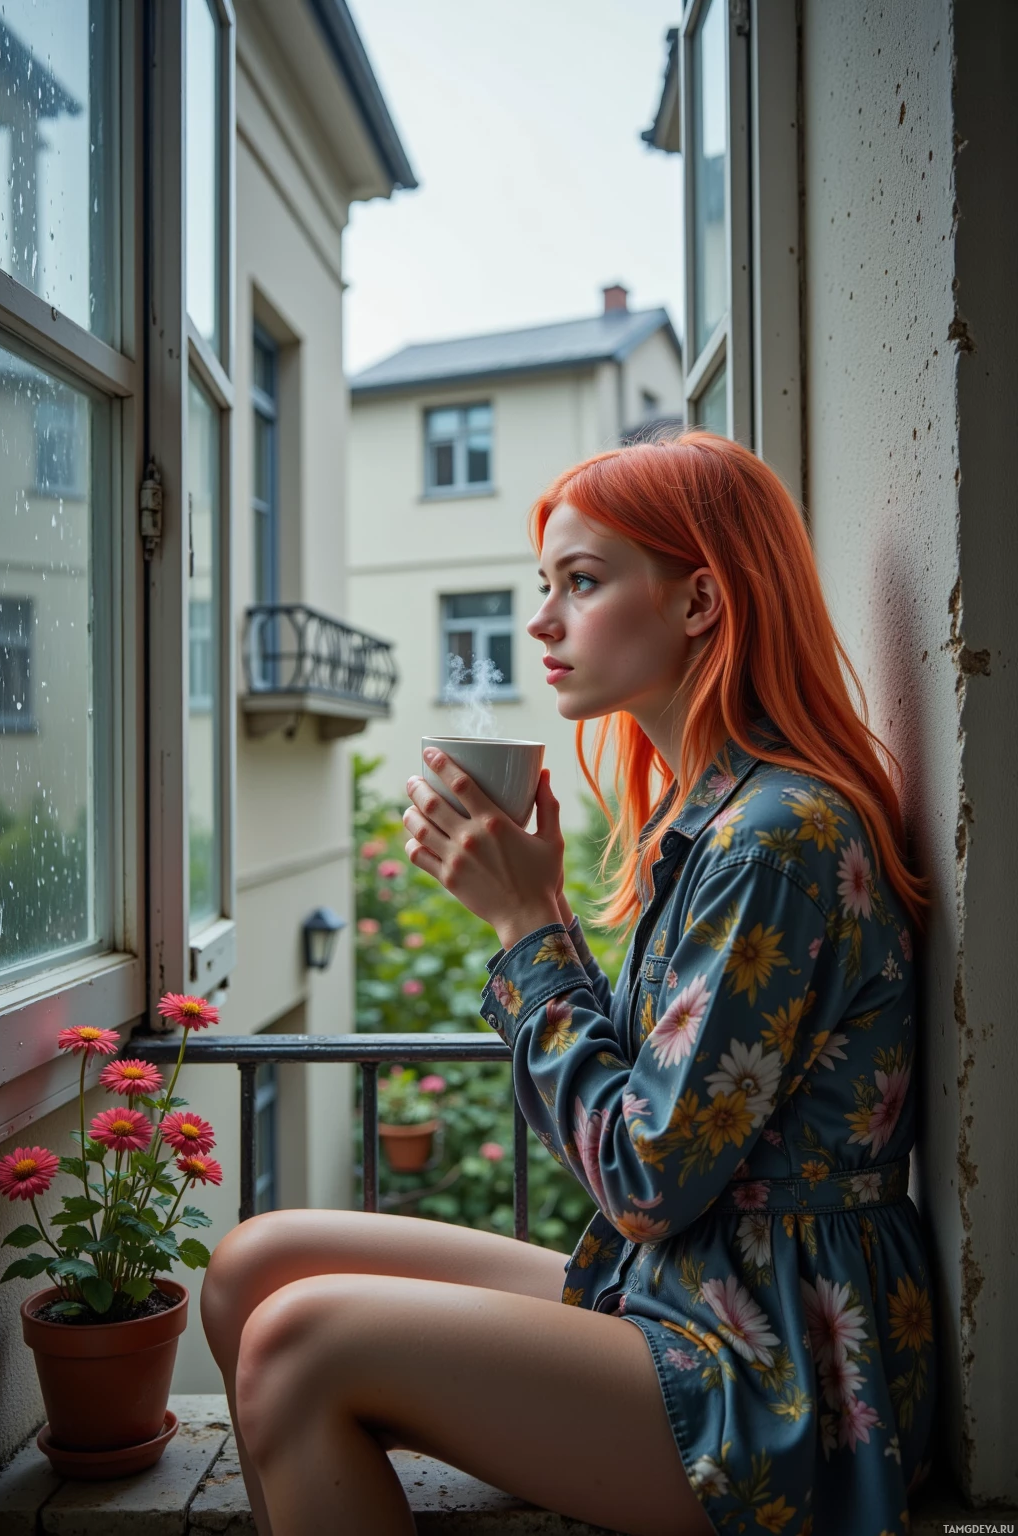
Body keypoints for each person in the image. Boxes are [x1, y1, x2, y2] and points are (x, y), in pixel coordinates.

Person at [201, 431, 936, 1536]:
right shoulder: (717, 816)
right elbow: (668, 1110)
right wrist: (539, 913)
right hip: (694, 1288)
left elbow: (643, 1177)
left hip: (779, 1377)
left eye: (580, 583)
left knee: (299, 1346)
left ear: (698, 600)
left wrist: (517, 927)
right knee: (256, 1265)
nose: (540, 622)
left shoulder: (772, 841)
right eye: (542, 585)